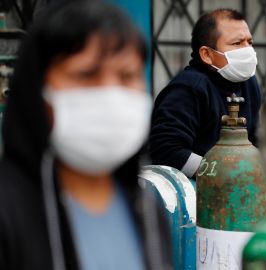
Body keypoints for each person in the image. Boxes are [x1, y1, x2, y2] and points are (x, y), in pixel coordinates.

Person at [0, 1, 171, 270]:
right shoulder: (9, 212)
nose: (111, 95)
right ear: (37, 91)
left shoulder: (148, 212)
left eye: (127, 76)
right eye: (86, 74)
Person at [148, 8, 261, 178]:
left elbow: (254, 139)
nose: (247, 50)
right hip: (195, 193)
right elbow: (167, 149)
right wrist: (220, 175)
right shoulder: (188, 88)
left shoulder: (249, 83)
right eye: (237, 43)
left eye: (249, 42)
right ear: (207, 54)